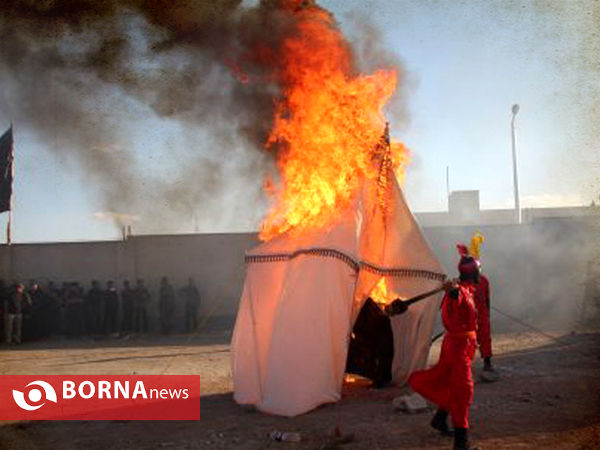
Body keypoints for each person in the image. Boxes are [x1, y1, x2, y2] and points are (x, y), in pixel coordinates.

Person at [408, 246, 481, 450]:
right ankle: (461, 444)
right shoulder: (461, 292)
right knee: (462, 392)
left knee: (450, 383)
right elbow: (460, 298)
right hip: (458, 349)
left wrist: (455, 289)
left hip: (456, 346)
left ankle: (440, 419)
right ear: (474, 273)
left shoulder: (465, 289)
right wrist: (454, 291)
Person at [469, 232, 495, 375]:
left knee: (485, 338)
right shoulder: (464, 283)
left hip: (482, 315)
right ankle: (465, 364)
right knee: (468, 341)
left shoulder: (484, 281)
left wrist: (487, 315)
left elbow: (487, 299)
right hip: (469, 317)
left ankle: (487, 362)